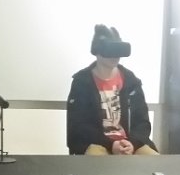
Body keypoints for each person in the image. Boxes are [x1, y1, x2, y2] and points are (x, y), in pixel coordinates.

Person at [66, 24, 158, 155]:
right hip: (97, 143)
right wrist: (111, 144)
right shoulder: (82, 82)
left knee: (155, 161)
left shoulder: (131, 81)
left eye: (118, 50)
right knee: (96, 157)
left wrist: (132, 143)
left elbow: (142, 121)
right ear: (97, 51)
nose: (114, 56)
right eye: (109, 50)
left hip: (130, 143)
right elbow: (78, 126)